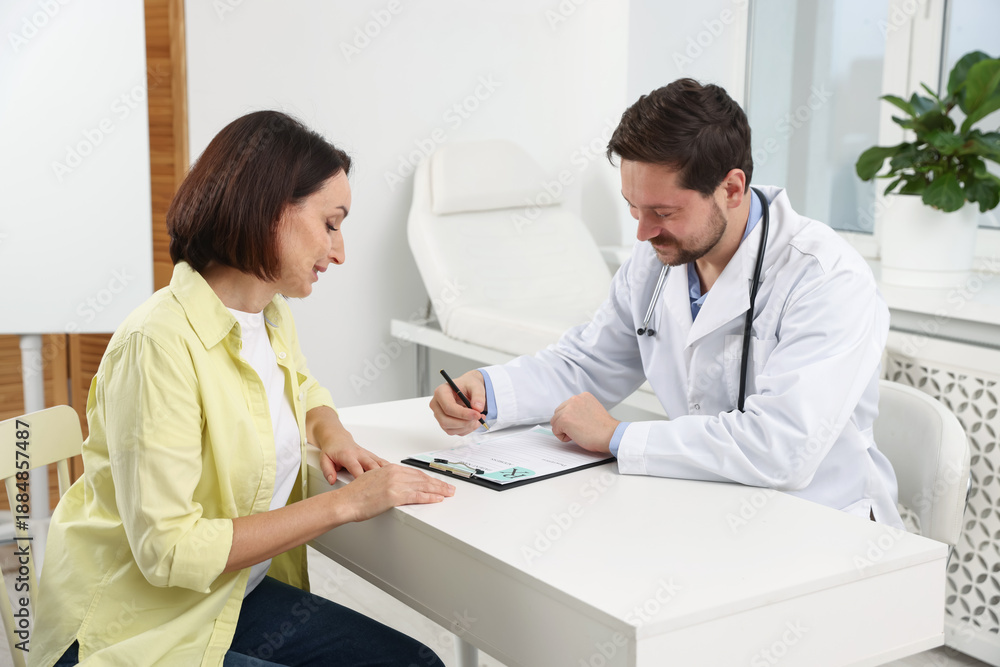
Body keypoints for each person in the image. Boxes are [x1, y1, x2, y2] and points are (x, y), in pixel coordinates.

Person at [32, 110, 455, 667]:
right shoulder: (158, 344)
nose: (340, 251)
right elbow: (168, 551)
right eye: (331, 224)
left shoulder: (268, 314)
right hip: (128, 628)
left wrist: (331, 430)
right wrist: (346, 505)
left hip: (227, 597)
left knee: (415, 663)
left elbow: (299, 386)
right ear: (272, 210)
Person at [429, 78, 903, 529]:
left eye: (663, 212)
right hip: (706, 507)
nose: (642, 231)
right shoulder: (657, 259)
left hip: (820, 527)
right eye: (634, 208)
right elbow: (589, 362)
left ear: (731, 189)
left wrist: (616, 436)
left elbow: (782, 448)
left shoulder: (825, 278)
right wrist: (490, 390)